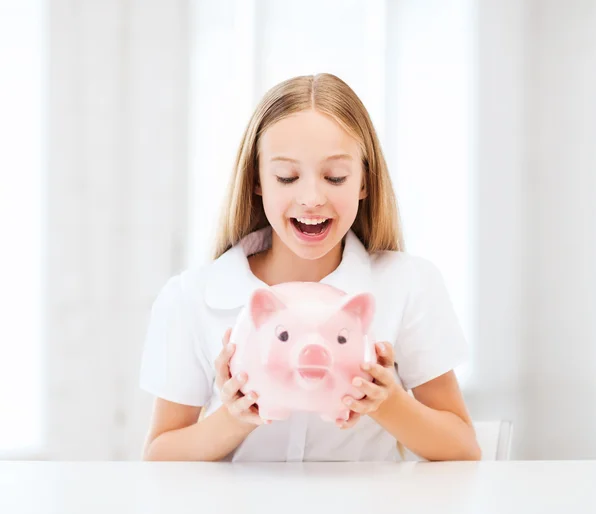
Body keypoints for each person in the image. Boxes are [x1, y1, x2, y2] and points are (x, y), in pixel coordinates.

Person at [139, 73, 481, 462]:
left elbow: (463, 447)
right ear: (257, 181)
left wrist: (386, 402)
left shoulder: (408, 284)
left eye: (335, 177)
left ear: (364, 182)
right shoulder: (191, 297)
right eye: (287, 176)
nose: (311, 198)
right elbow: (159, 455)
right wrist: (236, 416)